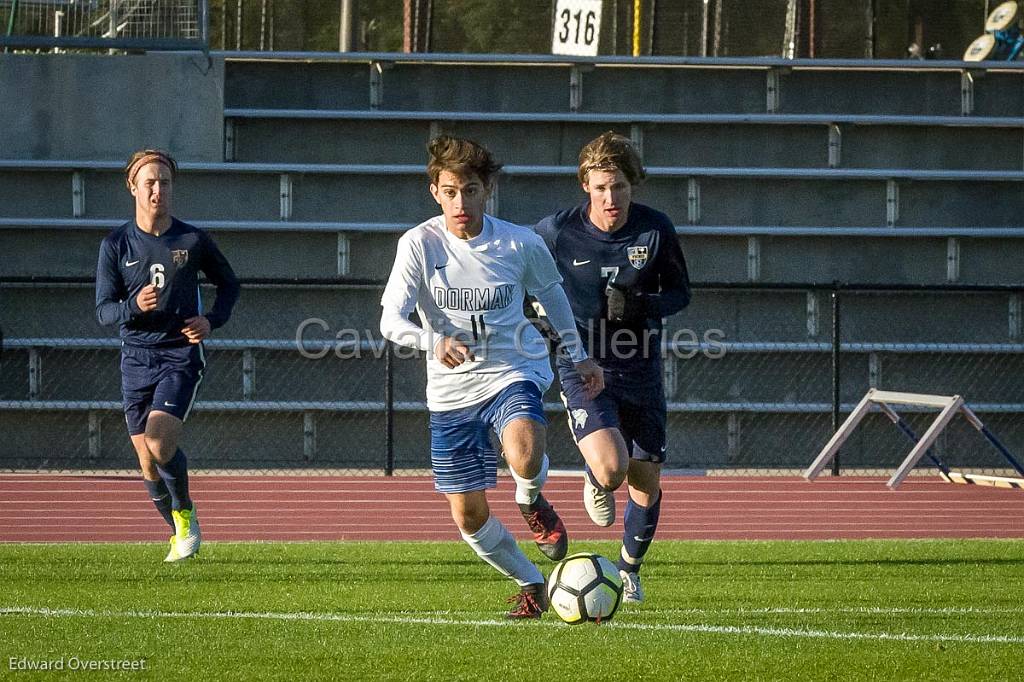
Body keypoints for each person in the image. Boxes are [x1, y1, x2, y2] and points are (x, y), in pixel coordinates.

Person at [380, 136, 604, 619]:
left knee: (524, 452)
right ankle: (531, 582)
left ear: (488, 191)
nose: (462, 202)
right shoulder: (418, 244)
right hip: (449, 392)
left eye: (472, 190)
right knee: (469, 515)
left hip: (513, 369)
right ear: (435, 192)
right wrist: (433, 342)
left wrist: (581, 356)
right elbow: (390, 321)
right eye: (451, 191)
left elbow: (554, 298)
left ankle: (530, 498)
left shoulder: (519, 242)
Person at [534, 131, 691, 604]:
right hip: (584, 364)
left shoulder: (654, 229)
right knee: (611, 470)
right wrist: (544, 326)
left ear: (632, 185)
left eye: (619, 186)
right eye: (601, 187)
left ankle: (628, 568)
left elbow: (681, 293)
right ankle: (596, 472)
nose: (610, 197)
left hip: (641, 366)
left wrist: (642, 302)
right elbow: (525, 287)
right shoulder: (556, 232)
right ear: (585, 185)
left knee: (646, 481)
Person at [95, 149, 240, 562]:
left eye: (165, 182)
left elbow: (229, 285)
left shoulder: (192, 240)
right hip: (135, 358)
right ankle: (178, 528)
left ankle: (186, 515)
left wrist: (212, 320)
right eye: (150, 183)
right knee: (145, 462)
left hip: (180, 354)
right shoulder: (116, 244)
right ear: (133, 187)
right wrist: (132, 307)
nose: (158, 190)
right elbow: (104, 310)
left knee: (159, 443)